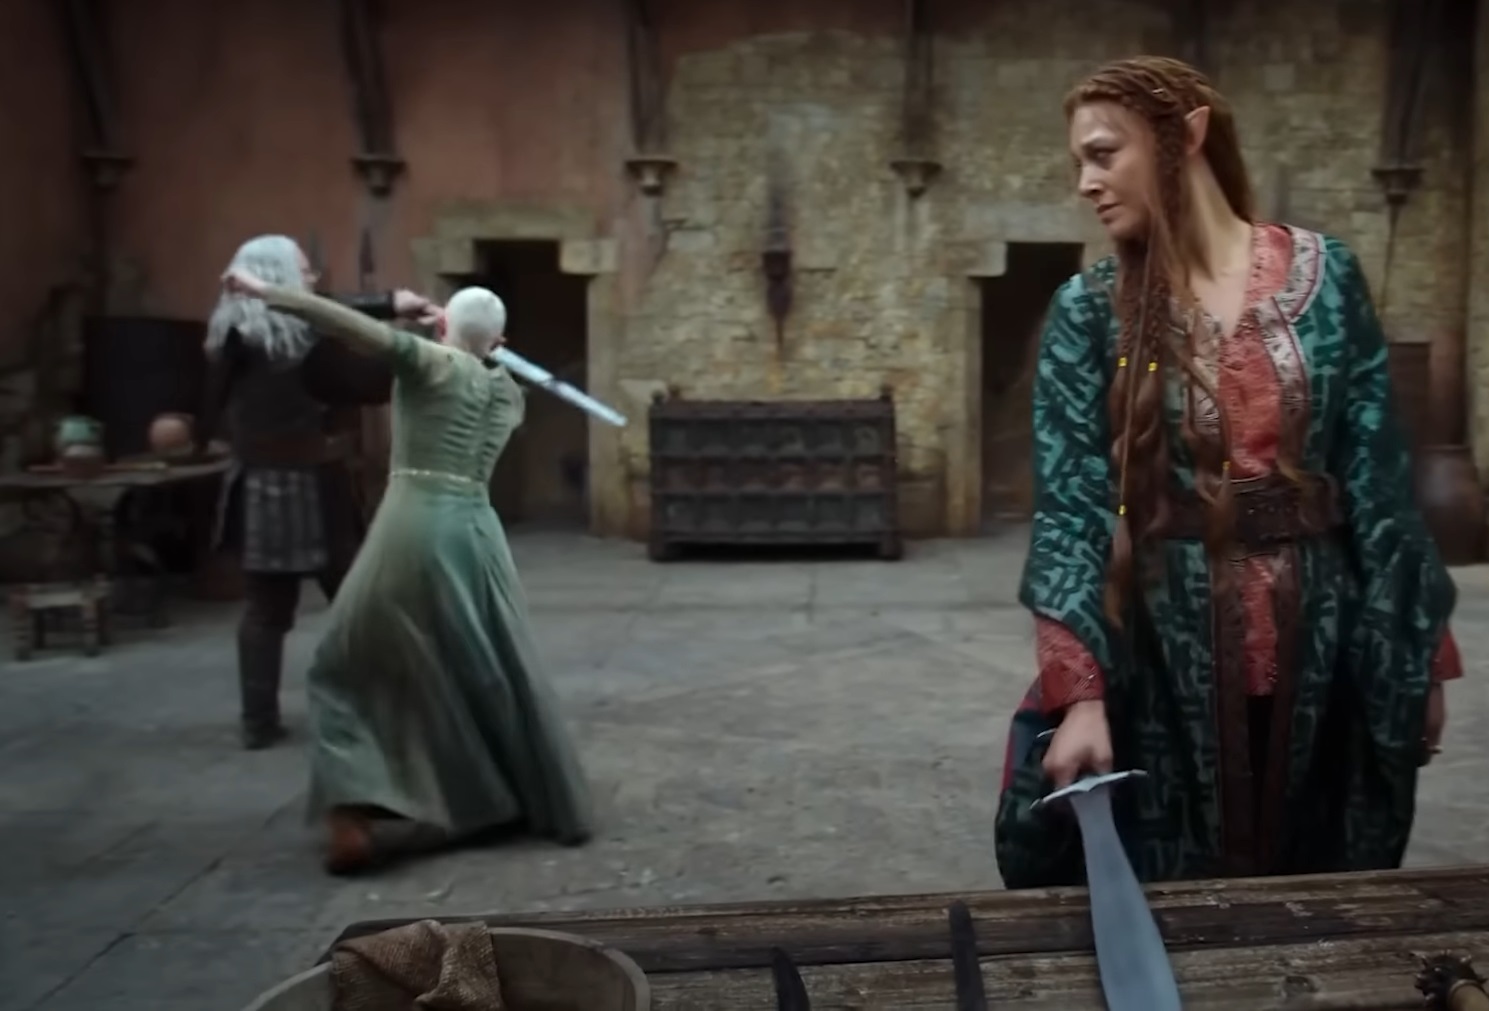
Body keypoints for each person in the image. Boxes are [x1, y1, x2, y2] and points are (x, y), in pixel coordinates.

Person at [994, 56, 1461, 887]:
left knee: (1320, 880)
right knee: (1177, 882)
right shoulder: (1088, 310)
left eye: (1102, 153)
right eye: (1078, 162)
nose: (1084, 183)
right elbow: (1069, 512)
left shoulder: (1329, 278)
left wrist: (1419, 656)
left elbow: (1380, 485)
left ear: (1185, 135)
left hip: (1326, 644)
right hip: (1161, 654)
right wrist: (1080, 697)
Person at [219, 267, 595, 874]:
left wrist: (267, 294)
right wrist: (465, 337)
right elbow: (475, 365)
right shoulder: (509, 394)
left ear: (444, 326)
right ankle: (480, 794)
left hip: (415, 523)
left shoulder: (427, 363)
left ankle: (354, 811)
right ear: (498, 340)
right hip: (477, 533)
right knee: (477, 664)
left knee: (340, 664)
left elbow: (346, 325)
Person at [201, 234, 435, 750]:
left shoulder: (232, 337)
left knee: (267, 608)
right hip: (309, 483)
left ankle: (258, 720)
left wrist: (388, 303)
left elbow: (316, 309)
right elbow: (366, 380)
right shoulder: (301, 348)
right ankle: (384, 706)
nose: (311, 279)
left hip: (257, 480)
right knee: (359, 601)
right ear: (279, 280)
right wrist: (419, 347)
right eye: (303, 271)